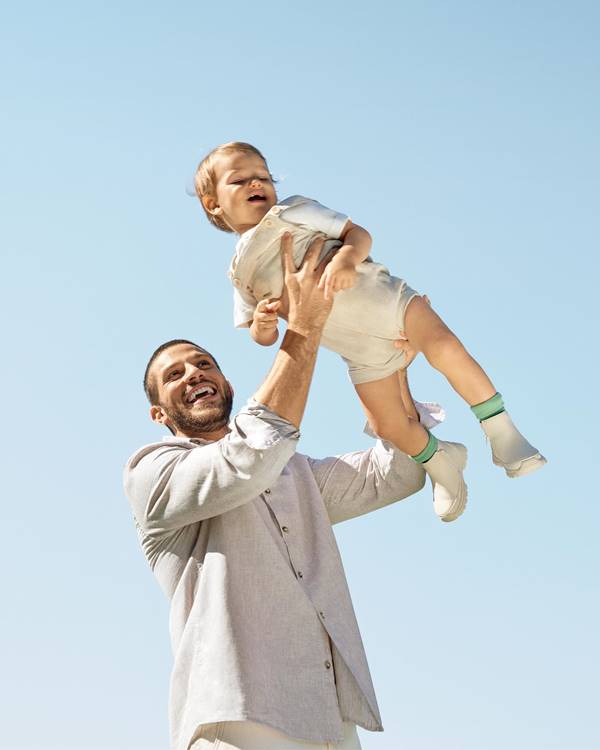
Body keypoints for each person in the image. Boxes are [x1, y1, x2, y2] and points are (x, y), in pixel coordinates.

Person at [124, 236, 443, 750]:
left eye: (204, 364)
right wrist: (307, 326)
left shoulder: (294, 473)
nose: (194, 374)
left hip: (328, 718)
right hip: (236, 713)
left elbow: (396, 473)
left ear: (226, 383)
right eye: (174, 375)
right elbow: (246, 459)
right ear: (159, 413)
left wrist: (381, 363)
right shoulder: (152, 471)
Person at [193, 141, 547, 523]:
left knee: (446, 349)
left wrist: (346, 257)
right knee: (386, 425)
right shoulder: (239, 273)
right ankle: (440, 460)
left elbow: (357, 233)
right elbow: (261, 336)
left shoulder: (291, 210)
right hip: (358, 349)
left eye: (263, 176)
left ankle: (501, 431)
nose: (255, 183)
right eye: (240, 180)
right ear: (213, 203)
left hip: (389, 302)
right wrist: (263, 324)